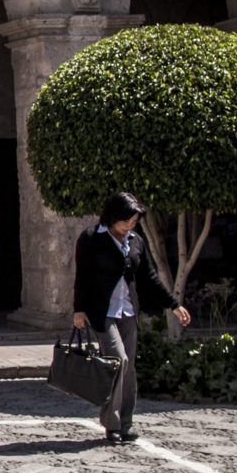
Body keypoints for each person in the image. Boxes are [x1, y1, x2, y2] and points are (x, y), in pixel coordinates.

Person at [73, 191, 191, 445]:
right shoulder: (92, 238)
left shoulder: (136, 241)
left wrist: (173, 305)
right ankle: (112, 424)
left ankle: (125, 424)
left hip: (127, 311)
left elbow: (150, 277)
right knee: (119, 361)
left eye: (134, 222)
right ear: (112, 217)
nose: (129, 226)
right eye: (125, 221)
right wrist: (79, 310)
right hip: (102, 313)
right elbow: (82, 276)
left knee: (129, 371)